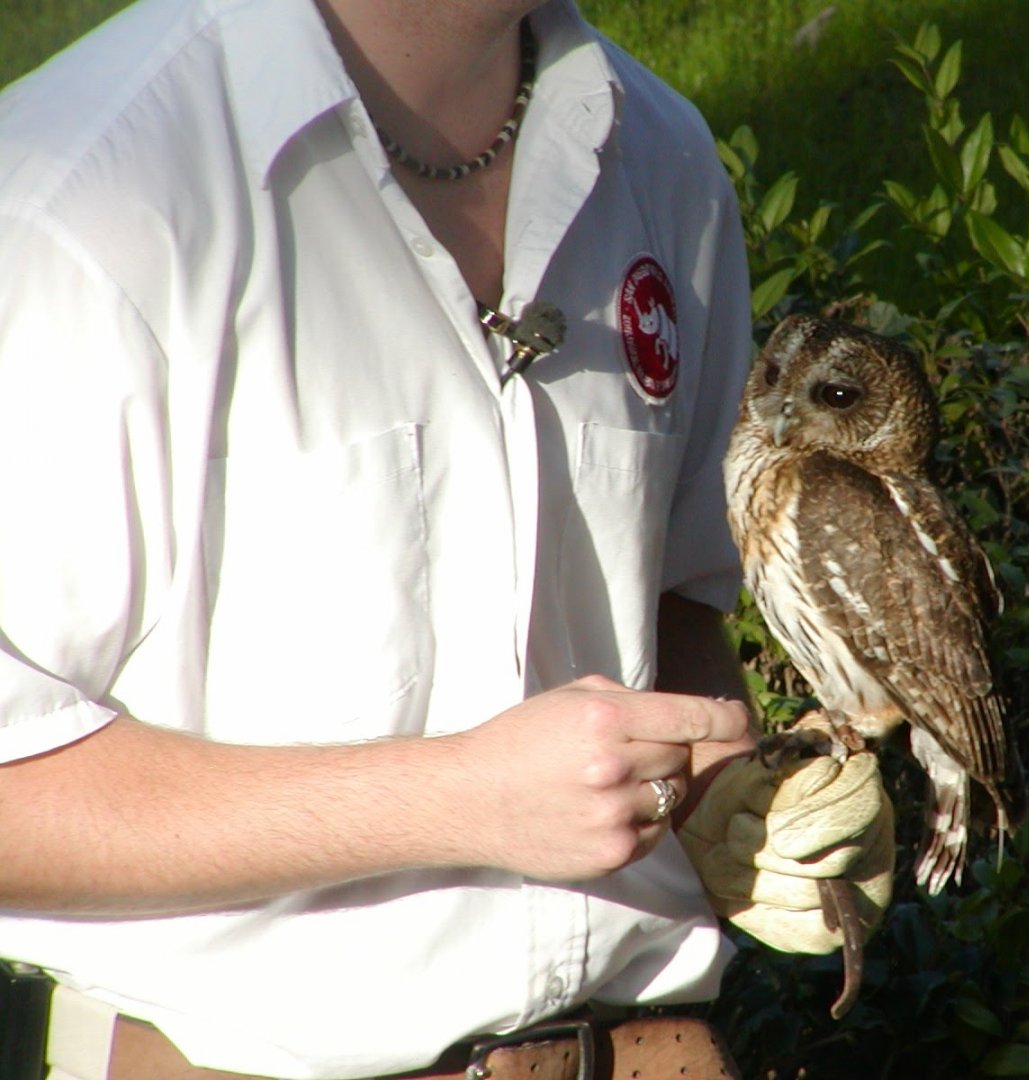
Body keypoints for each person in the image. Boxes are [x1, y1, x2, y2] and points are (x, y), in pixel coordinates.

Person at [0, 0, 893, 1078]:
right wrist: (462, 798)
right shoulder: (75, 199)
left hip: (655, 1052)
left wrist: (734, 801)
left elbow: (670, 610)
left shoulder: (660, 157)